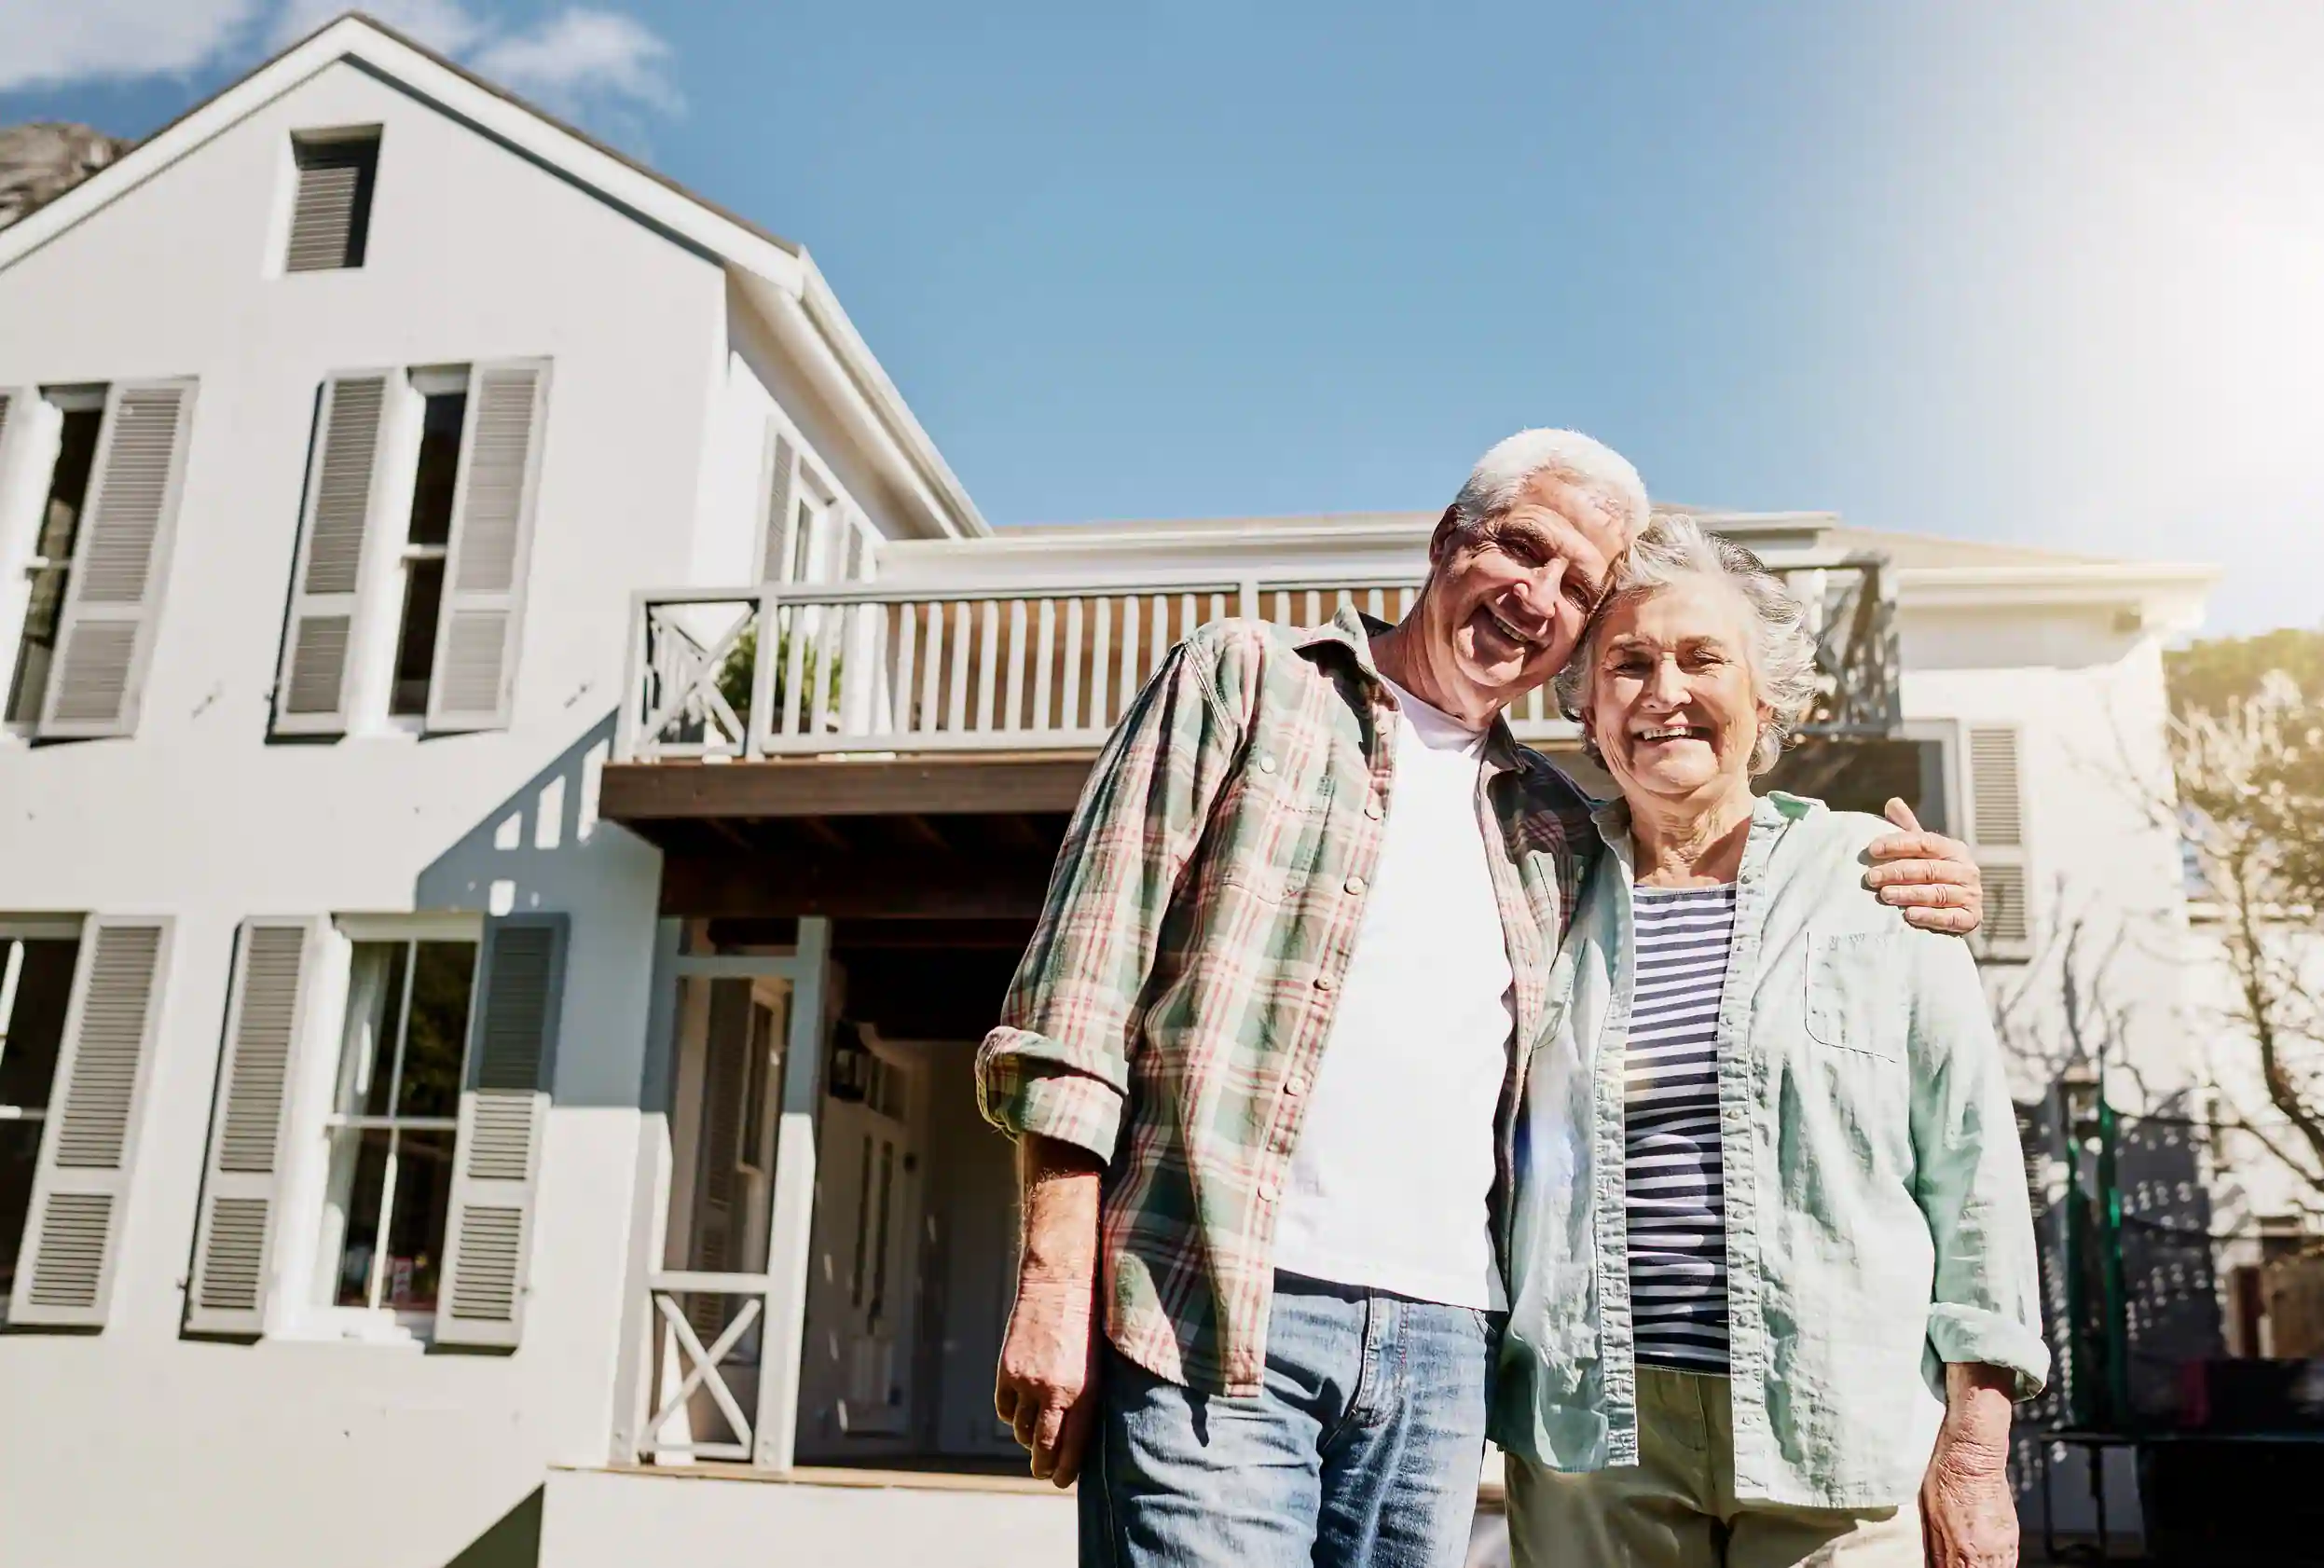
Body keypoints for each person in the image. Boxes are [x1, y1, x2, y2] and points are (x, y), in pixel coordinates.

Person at [977, 432, 1987, 1568]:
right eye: (1521, 546)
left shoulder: (1546, 823)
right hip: (1212, 1304)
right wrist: (1056, 1277)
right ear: (1448, 538)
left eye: (1577, 585)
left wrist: (1930, 882)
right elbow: (1077, 991)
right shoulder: (1251, 679)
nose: (1537, 596)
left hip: (1447, 1351)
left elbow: (1732, 885)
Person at [1496, 515, 2046, 1568]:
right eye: (1629, 663)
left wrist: (1975, 1451)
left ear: (1767, 696)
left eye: (1704, 658)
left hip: (1836, 1420)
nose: (1665, 691)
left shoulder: (1878, 878)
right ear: (1586, 704)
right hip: (1591, 1441)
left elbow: (1974, 1172)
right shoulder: (1538, 880)